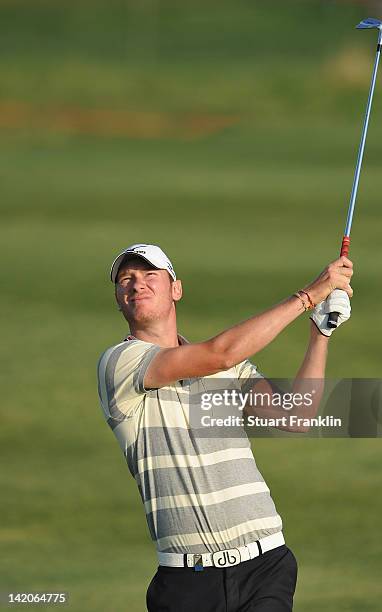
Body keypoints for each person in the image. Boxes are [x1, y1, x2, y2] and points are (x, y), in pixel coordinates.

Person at [97, 243, 353, 612]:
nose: (137, 284)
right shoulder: (120, 363)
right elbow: (221, 353)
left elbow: (296, 417)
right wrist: (309, 296)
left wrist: (320, 332)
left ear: (176, 289)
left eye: (150, 275)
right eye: (126, 279)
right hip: (186, 582)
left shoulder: (227, 369)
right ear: (119, 299)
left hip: (265, 564)